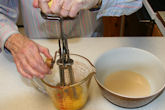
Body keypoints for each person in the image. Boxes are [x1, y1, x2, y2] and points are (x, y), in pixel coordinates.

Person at [0, 0, 142, 79]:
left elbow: (136, 1)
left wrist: (97, 0)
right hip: (38, 52)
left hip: (92, 47)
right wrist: (13, 40)